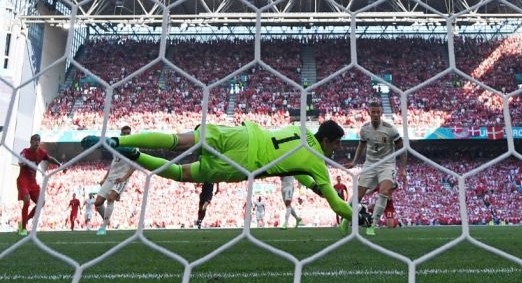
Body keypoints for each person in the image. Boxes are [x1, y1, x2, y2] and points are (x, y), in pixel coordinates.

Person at [81, 120, 353, 228]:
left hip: (241, 133)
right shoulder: (316, 163)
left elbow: (296, 167)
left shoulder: (302, 128)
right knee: (179, 172)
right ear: (328, 141)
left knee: (176, 139)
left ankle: (119, 142)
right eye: (336, 145)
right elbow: (336, 203)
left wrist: (312, 185)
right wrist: (358, 215)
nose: (336, 150)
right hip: (243, 162)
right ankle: (139, 158)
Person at [345, 101, 407, 236]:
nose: (376, 115)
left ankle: (372, 225)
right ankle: (346, 218)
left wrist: (402, 169)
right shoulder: (364, 129)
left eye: (378, 112)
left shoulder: (390, 129)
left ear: (381, 113)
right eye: (373, 112)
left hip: (387, 164)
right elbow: (361, 146)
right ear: (369, 113)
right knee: (358, 195)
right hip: (370, 164)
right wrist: (355, 162)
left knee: (384, 191)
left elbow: (402, 148)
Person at [94, 125, 137, 235]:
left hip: (121, 178)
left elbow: (134, 166)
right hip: (110, 177)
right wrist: (104, 178)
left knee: (111, 198)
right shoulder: (116, 146)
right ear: (121, 134)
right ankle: (107, 219)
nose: (127, 135)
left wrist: (124, 178)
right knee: (97, 202)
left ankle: (103, 227)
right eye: (125, 133)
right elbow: (114, 164)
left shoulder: (134, 148)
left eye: (128, 133)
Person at [16, 134, 62, 235]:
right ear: (31, 141)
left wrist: (59, 164)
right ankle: (23, 228)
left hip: (33, 182)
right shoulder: (25, 152)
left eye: (39, 140)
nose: (37, 142)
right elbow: (20, 161)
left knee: (41, 202)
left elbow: (49, 158)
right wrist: (23, 162)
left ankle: (24, 221)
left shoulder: (41, 152)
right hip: (23, 181)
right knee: (27, 201)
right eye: (35, 140)